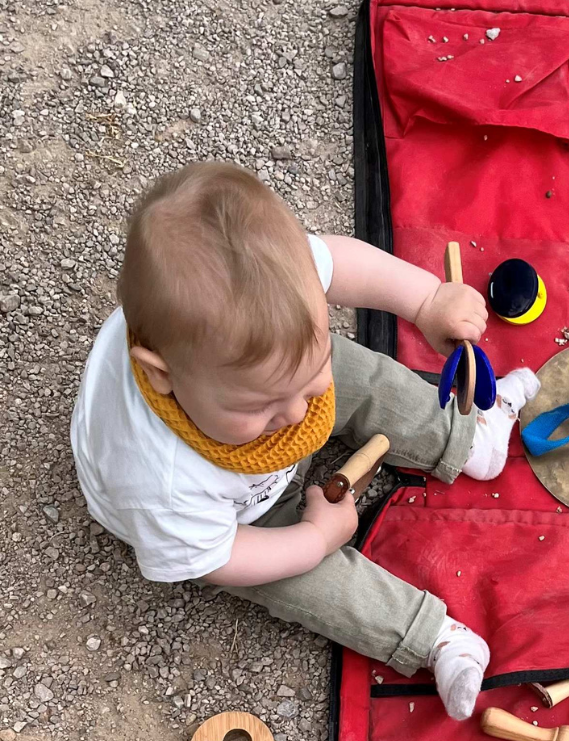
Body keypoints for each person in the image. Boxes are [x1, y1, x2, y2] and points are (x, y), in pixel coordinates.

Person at [70, 162, 539, 720]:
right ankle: (434, 637)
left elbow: (339, 263)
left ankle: (465, 436)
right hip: (238, 521)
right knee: (299, 580)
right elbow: (219, 560)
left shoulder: (263, 313)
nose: (295, 416)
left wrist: (426, 301)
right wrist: (315, 539)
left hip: (252, 418)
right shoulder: (159, 480)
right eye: (260, 406)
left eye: (302, 387)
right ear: (161, 374)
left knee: (350, 369)